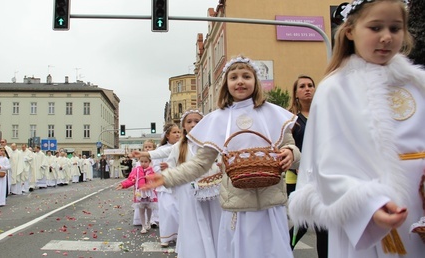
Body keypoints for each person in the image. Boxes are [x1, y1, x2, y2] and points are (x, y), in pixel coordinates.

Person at [288, 1, 425, 257]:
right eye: (375, 27)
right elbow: (328, 165)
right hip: (373, 215)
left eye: (395, 29)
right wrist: (369, 205)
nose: (386, 37)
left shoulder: (418, 83)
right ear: (350, 31)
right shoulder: (335, 89)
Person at [143, 55, 300, 258]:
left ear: (256, 81)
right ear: (226, 84)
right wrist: (167, 177)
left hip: (271, 204)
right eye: (234, 77)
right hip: (237, 207)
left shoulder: (272, 113)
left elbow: (291, 147)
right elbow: (199, 164)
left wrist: (290, 153)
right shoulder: (218, 119)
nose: (240, 81)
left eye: (246, 76)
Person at [165, 109, 222, 258]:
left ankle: (215, 251)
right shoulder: (179, 147)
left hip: (211, 189)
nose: (193, 124)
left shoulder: (211, 143)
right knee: (192, 224)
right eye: (189, 122)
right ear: (184, 126)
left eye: (197, 121)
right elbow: (172, 165)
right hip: (187, 190)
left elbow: (219, 162)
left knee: (213, 220)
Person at [286, 75, 328, 257]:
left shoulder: (325, 115)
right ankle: (284, 249)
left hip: (323, 176)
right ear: (296, 93)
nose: (307, 88)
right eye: (302, 86)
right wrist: (296, 165)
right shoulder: (291, 121)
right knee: (302, 222)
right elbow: (287, 147)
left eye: (310, 85)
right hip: (297, 177)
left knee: (322, 224)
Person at [132, 123, 182, 247]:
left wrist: (172, 167)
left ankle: (179, 236)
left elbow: (188, 164)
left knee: (179, 211)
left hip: (180, 183)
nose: (177, 134)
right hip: (164, 185)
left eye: (178, 132)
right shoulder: (161, 149)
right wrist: (162, 170)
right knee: (167, 210)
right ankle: (166, 237)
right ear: (168, 135)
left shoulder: (183, 147)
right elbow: (154, 166)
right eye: (174, 132)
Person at [116, 156, 158, 234]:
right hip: (140, 193)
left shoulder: (152, 170)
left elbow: (157, 180)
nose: (143, 163)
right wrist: (123, 185)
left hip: (149, 193)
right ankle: (143, 225)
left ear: (149, 162)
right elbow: (131, 180)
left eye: (146, 162)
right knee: (141, 210)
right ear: (139, 161)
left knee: (149, 208)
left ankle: (148, 222)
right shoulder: (136, 170)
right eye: (141, 161)